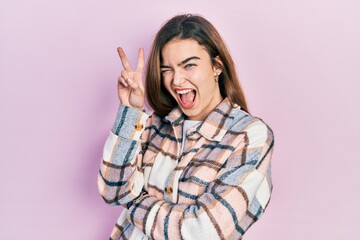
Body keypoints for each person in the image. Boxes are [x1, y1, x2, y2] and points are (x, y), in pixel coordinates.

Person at [98, 13, 274, 240]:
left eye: (189, 65)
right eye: (167, 69)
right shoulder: (153, 124)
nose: (177, 80)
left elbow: (200, 232)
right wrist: (131, 113)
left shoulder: (249, 136)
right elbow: (112, 190)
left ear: (216, 66)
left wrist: (133, 200)